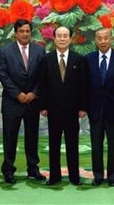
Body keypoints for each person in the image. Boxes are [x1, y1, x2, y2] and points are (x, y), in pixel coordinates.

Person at [0, 19, 46, 184]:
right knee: (10, 139)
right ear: (16, 33)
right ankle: (8, 170)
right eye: (22, 31)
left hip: (32, 102)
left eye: (27, 31)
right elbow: (3, 75)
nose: (25, 34)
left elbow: (43, 76)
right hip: (12, 102)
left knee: (32, 138)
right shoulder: (5, 51)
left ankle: (33, 169)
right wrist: (18, 94)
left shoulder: (39, 51)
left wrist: (33, 93)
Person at [39, 26, 87, 186]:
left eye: (65, 36)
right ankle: (55, 176)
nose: (62, 38)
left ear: (71, 39)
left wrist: (82, 107)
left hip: (72, 110)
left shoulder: (78, 59)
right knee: (54, 144)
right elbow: (43, 85)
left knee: (72, 144)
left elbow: (83, 85)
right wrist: (43, 106)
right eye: (59, 35)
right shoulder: (46, 59)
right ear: (54, 38)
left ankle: (74, 176)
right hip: (52, 109)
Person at [85, 28, 114, 187]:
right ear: (95, 41)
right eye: (100, 38)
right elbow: (85, 86)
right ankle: (97, 175)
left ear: (110, 39)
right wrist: (84, 107)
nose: (103, 41)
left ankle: (112, 176)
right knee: (96, 144)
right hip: (95, 109)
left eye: (106, 38)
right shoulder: (88, 59)